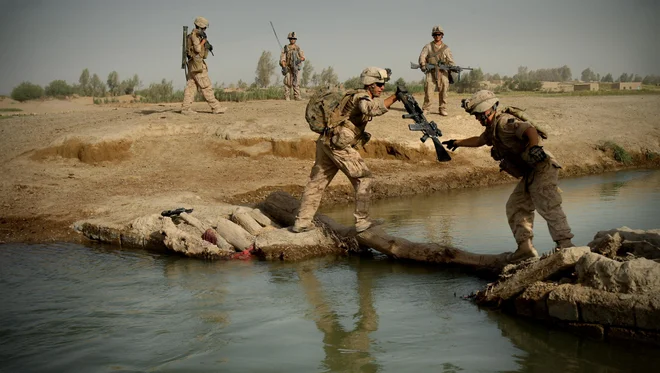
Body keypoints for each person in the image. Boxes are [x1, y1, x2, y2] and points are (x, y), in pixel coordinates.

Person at [442, 90, 575, 261]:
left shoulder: (505, 122)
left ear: (489, 110)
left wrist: (534, 147)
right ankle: (525, 248)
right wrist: (457, 143)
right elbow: (479, 141)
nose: (478, 119)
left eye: (479, 115)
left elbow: (529, 130)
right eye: (476, 116)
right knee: (515, 206)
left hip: (543, 168)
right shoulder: (492, 129)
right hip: (530, 172)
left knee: (547, 204)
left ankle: (565, 244)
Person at [290, 67, 398, 233]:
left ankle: (302, 222)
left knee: (316, 183)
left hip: (326, 141)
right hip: (339, 145)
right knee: (364, 178)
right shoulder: (361, 97)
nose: (382, 87)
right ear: (370, 85)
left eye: (383, 84)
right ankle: (362, 221)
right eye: (379, 84)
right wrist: (396, 97)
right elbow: (370, 109)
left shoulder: (356, 94)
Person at [181, 16, 227, 115]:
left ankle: (185, 109)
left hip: (192, 65)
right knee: (206, 86)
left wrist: (206, 46)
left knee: (191, 87)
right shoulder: (194, 35)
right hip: (197, 65)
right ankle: (216, 107)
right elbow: (197, 49)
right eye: (205, 27)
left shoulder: (194, 35)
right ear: (201, 26)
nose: (205, 29)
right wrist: (203, 42)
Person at [418, 25, 454, 116]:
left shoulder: (446, 48)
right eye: (435, 34)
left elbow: (451, 61)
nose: (437, 36)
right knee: (429, 90)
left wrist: (452, 67)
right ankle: (426, 108)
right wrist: (422, 64)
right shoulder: (428, 46)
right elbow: (422, 56)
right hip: (431, 71)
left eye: (439, 34)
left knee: (444, 90)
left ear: (442, 35)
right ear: (433, 35)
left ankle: (442, 108)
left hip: (443, 72)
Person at [280, 32, 306, 101]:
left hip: (296, 67)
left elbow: (303, 57)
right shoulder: (285, 48)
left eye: (293, 38)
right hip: (288, 67)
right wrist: (284, 66)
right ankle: (287, 96)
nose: (292, 40)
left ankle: (297, 96)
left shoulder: (298, 48)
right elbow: (282, 58)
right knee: (288, 82)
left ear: (295, 39)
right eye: (291, 38)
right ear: (289, 39)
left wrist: (299, 60)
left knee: (296, 82)